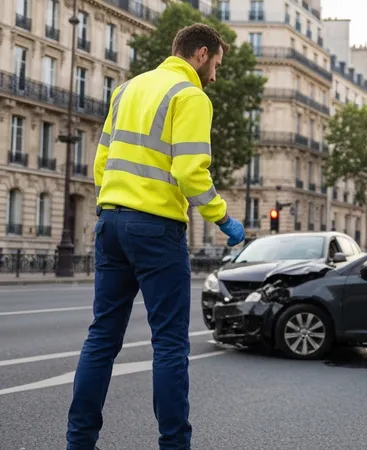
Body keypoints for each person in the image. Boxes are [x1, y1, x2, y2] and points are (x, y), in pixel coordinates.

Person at [66, 24, 245, 450]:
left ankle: (79, 443)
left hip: (111, 222)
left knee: (102, 338)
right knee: (168, 344)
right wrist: (222, 217)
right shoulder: (190, 96)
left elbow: (102, 159)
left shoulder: (126, 90)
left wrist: (109, 204)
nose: (215, 75)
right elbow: (190, 171)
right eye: (216, 65)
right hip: (157, 229)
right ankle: (174, 445)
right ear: (200, 54)